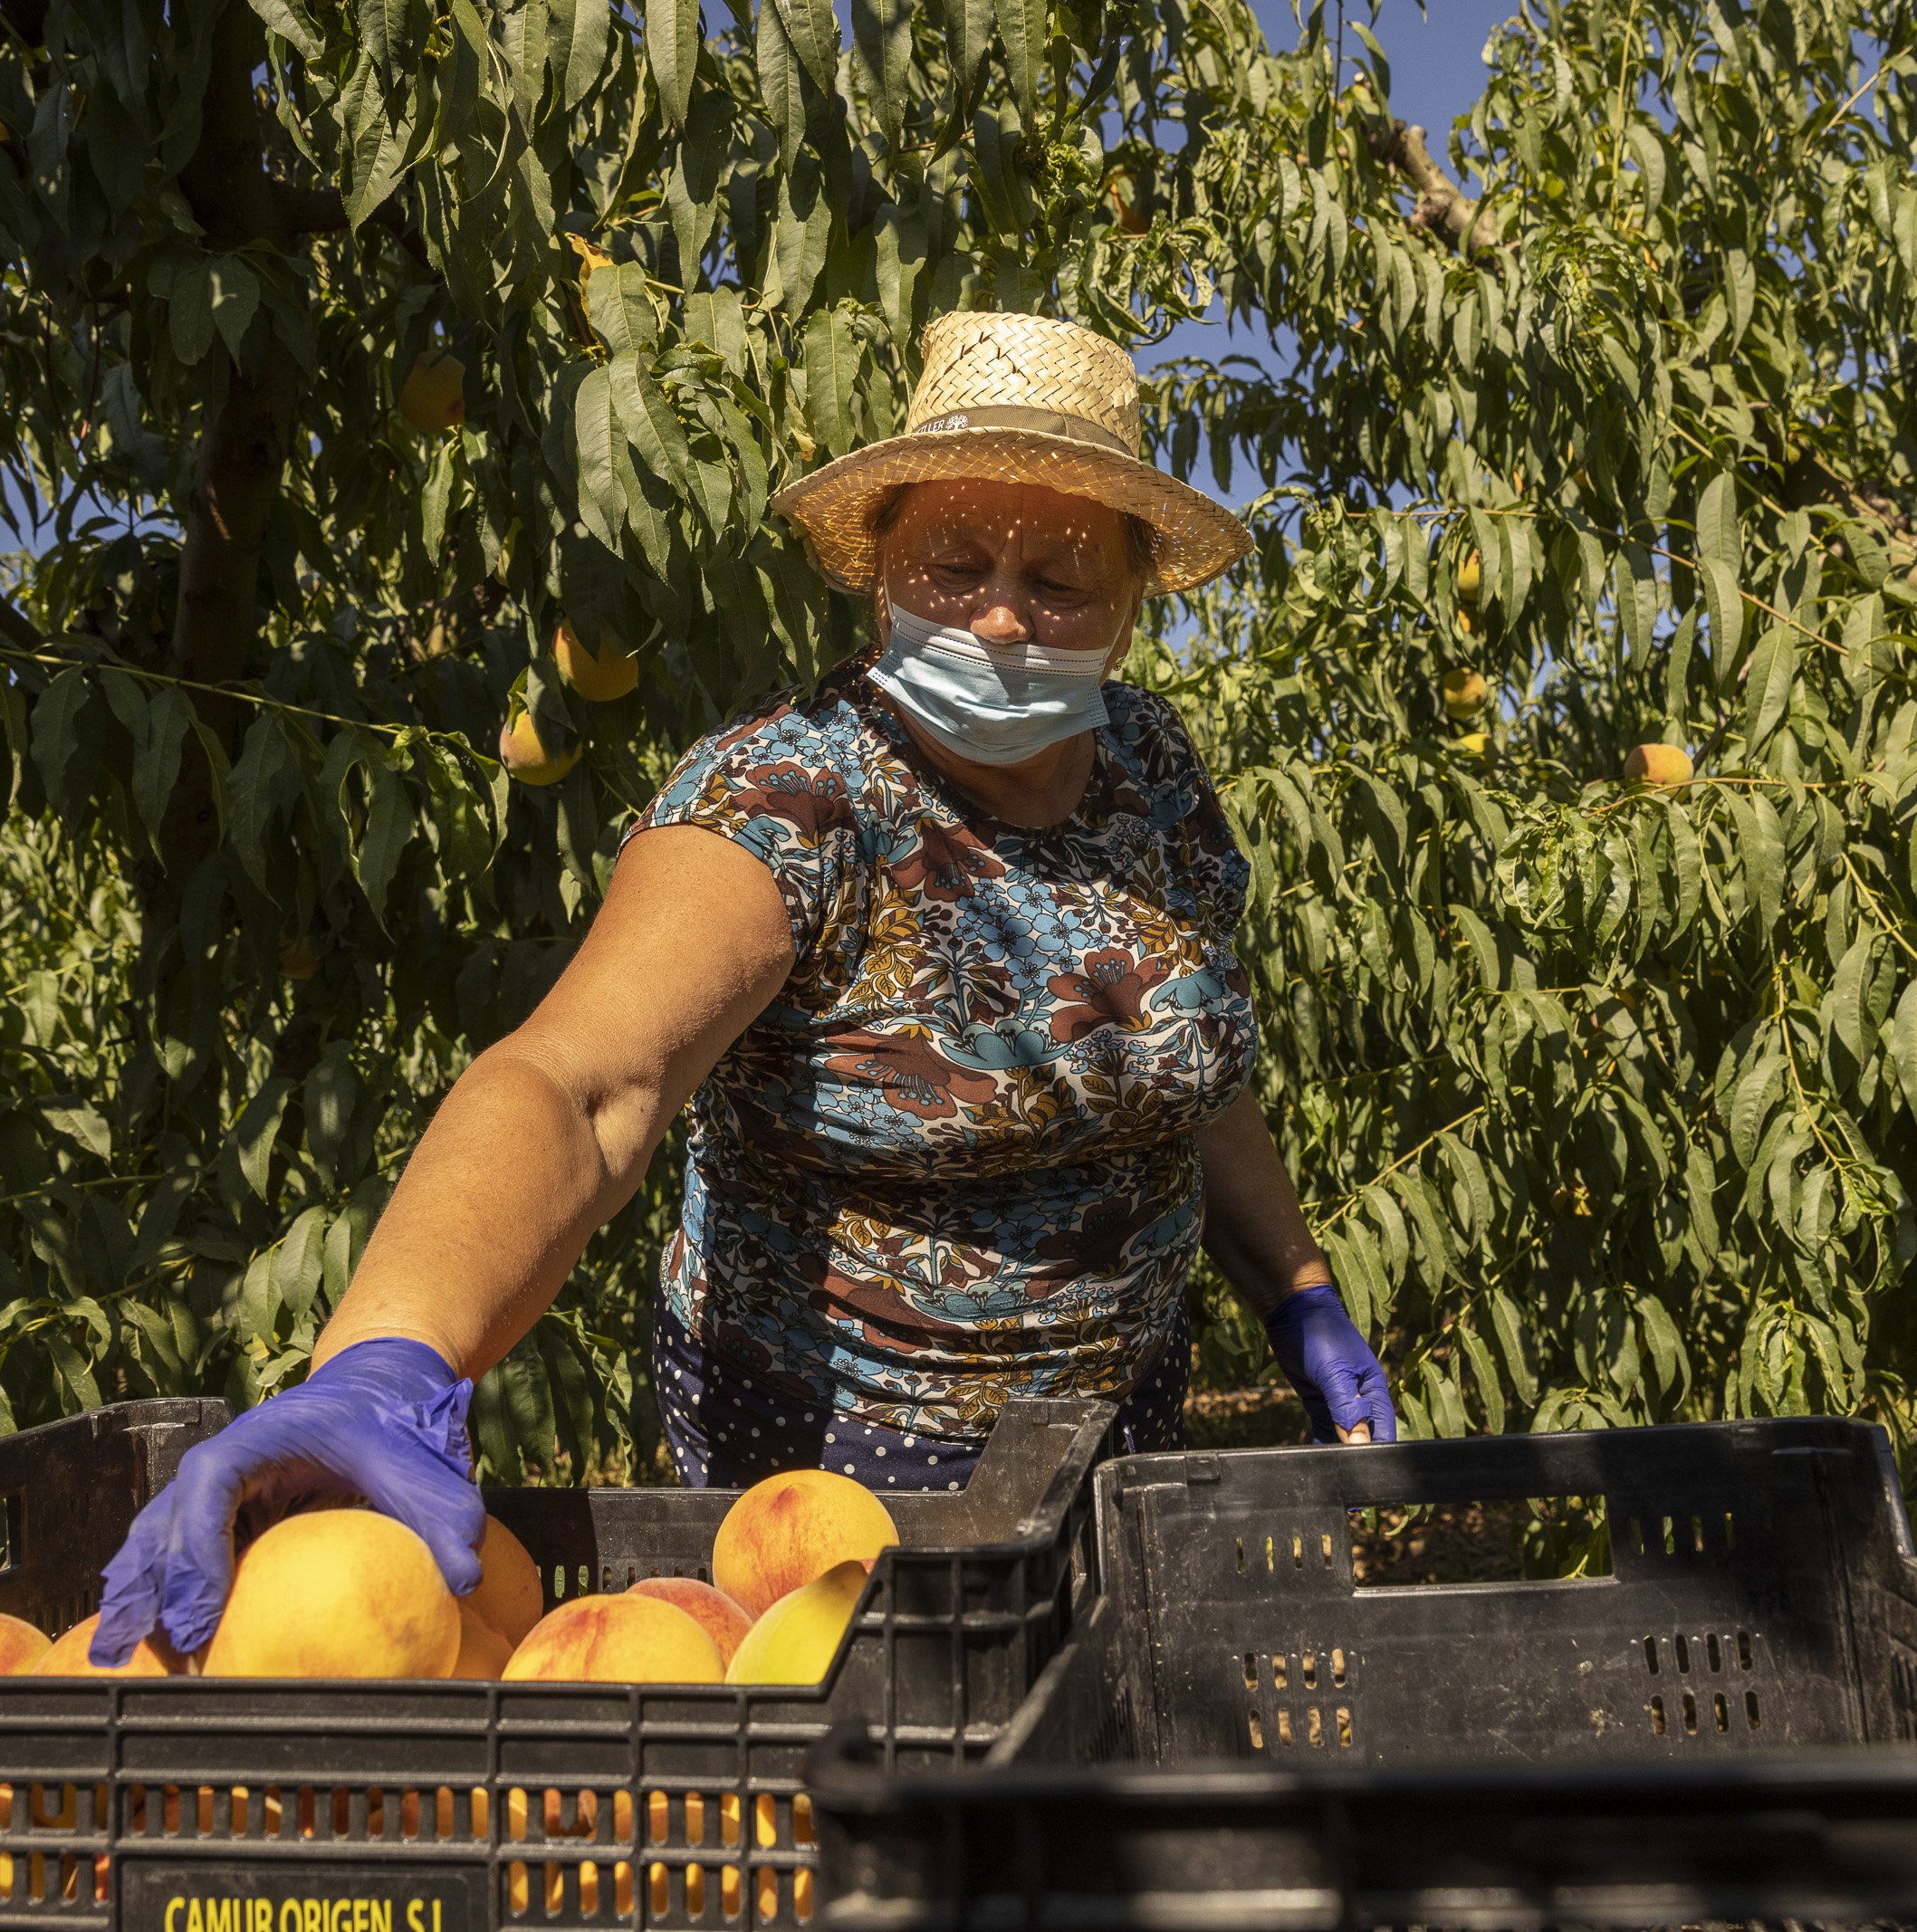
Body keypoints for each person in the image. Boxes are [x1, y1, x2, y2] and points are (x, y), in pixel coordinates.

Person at [92, 311, 1394, 1663]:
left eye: (1062, 577)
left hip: (1115, 1413)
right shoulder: (792, 796)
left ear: (1133, 605)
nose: (1003, 612)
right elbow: (585, 1081)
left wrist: (1294, 1284)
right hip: (842, 1468)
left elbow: (1184, 1050)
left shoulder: (1153, 769)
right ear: (880, 571)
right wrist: (392, 1348)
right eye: (953, 561)